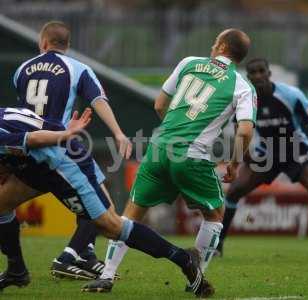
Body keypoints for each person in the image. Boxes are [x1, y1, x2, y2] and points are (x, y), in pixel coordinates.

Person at [82, 28, 256, 294]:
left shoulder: (188, 63)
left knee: (130, 214)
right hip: (191, 154)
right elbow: (244, 131)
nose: (211, 45)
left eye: (215, 41)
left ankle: (107, 275)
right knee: (215, 215)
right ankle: (195, 279)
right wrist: (234, 163)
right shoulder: (242, 85)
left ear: (221, 46)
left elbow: (160, 104)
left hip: (158, 148)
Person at [0, 106, 211, 297]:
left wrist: (64, 134)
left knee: (111, 226)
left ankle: (183, 258)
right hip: (37, 163)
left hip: (61, 163)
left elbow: (32, 139)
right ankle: (16, 270)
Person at [0, 20, 132, 284]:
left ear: (43, 42)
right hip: (62, 148)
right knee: (102, 208)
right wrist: (118, 133)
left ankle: (19, 268)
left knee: (2, 205)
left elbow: (19, 114)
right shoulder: (78, 68)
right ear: (67, 45)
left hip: (28, 154)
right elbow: (98, 100)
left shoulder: (22, 70)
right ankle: (69, 258)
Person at [215, 58, 308, 261]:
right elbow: (240, 130)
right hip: (267, 155)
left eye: (262, 71)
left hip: (297, 153)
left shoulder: (291, 95)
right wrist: (245, 155)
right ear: (249, 77)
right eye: (253, 73)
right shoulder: (246, 100)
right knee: (234, 191)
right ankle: (217, 247)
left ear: (269, 73)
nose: (258, 76)